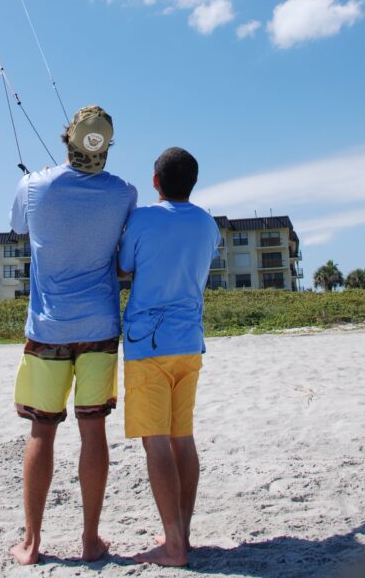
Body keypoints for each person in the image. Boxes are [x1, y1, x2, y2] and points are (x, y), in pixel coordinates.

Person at [9, 105, 137, 566]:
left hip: (48, 329)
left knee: (41, 432)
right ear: (106, 146)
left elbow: (19, 229)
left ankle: (33, 542)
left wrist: (38, 183)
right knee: (93, 432)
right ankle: (90, 540)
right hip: (100, 327)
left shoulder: (33, 185)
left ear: (68, 138)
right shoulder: (125, 193)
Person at [117, 146, 220, 566]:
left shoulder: (142, 218)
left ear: (155, 181)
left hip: (147, 346)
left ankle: (173, 544)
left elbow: (124, 267)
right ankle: (183, 532)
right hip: (190, 343)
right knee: (183, 438)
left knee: (155, 441)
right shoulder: (208, 224)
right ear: (193, 183)